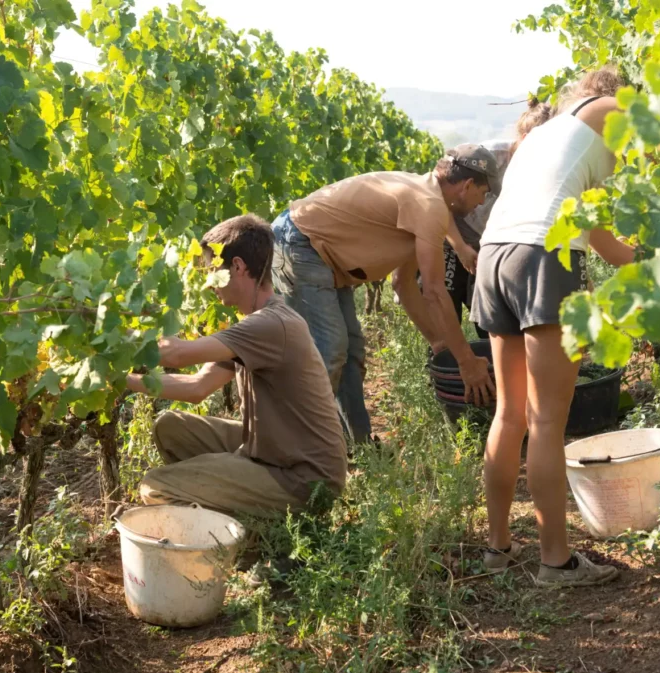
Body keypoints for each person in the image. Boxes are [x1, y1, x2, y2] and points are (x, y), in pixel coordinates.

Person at [469, 66, 637, 587]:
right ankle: (555, 562)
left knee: (510, 414)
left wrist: (652, 259)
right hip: (542, 257)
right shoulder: (604, 109)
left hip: (495, 257)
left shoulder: (547, 140)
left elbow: (605, 241)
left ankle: (497, 549)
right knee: (546, 420)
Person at [270, 146, 500, 444]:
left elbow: (403, 283)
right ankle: (297, 448)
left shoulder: (428, 200)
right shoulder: (428, 204)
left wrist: (438, 342)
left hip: (320, 254)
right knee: (331, 350)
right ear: (467, 185)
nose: (481, 202)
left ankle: (358, 445)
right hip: (300, 242)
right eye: (483, 193)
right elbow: (434, 292)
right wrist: (466, 362)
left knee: (351, 350)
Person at [124, 214, 348, 518]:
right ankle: (236, 499)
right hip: (272, 451)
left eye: (212, 270)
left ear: (238, 267)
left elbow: (175, 355)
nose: (208, 283)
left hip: (305, 479)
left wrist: (112, 335)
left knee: (156, 486)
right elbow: (197, 387)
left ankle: (248, 535)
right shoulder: (255, 325)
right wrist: (122, 380)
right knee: (171, 428)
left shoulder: (270, 325)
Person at [440, 100, 555, 340]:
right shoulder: (487, 156)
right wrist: (459, 246)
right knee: (445, 311)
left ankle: (489, 363)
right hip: (451, 237)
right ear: (524, 139)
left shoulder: (543, 171)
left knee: (490, 320)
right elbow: (438, 196)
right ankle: (445, 362)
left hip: (489, 247)